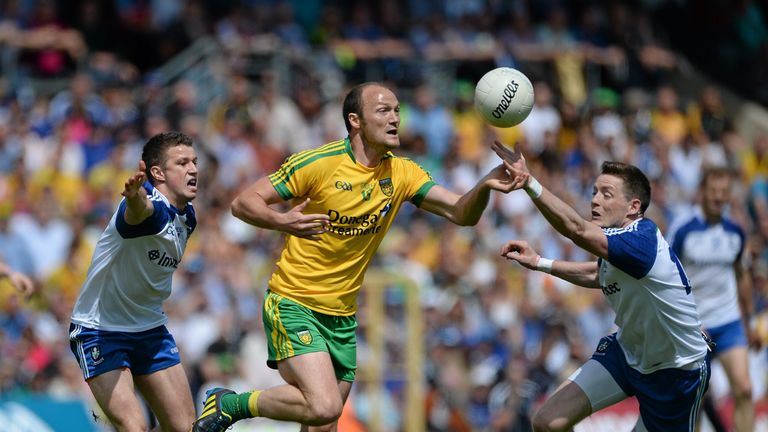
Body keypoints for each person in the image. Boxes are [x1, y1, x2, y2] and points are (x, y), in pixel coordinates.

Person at [191, 82, 516, 432]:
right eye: (383, 110)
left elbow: (462, 213)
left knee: (323, 425)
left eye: (397, 111)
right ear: (355, 120)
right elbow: (243, 203)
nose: (395, 118)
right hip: (295, 302)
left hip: (343, 316)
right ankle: (231, 403)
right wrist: (284, 221)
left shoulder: (403, 173)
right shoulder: (319, 163)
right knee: (325, 405)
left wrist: (485, 184)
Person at [490, 141, 710, 432]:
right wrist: (540, 262)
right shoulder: (619, 244)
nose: (595, 200)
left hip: (675, 371)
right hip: (626, 353)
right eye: (594, 192)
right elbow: (599, 274)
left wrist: (530, 183)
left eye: (607, 194)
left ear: (633, 207)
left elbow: (576, 229)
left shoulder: (641, 240)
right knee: (547, 422)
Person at [69, 131, 199, 432]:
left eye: (194, 162)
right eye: (182, 163)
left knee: (186, 428)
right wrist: (135, 197)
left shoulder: (188, 216)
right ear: (158, 173)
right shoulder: (149, 207)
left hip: (150, 329)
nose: (193, 169)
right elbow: (143, 211)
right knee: (133, 426)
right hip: (100, 330)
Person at [669, 167, 759, 432]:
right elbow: (666, 275)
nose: (718, 197)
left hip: (728, 321)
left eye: (723, 192)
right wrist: (683, 320)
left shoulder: (735, 232)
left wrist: (749, 321)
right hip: (694, 325)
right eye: (713, 191)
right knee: (696, 398)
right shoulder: (683, 229)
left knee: (745, 389)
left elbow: (742, 276)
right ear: (702, 192)